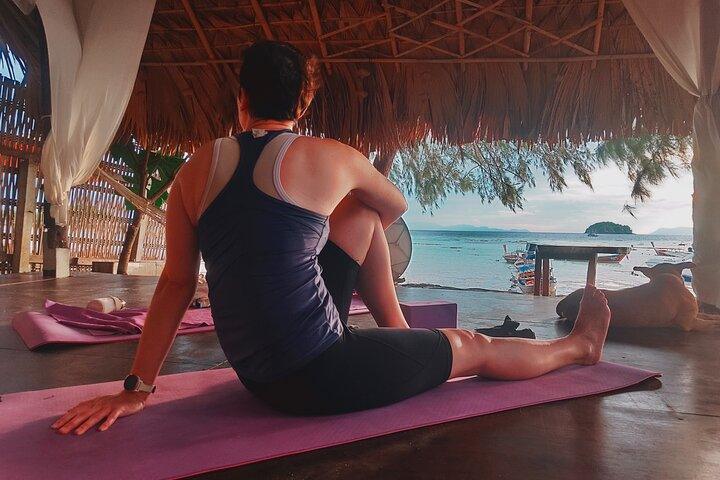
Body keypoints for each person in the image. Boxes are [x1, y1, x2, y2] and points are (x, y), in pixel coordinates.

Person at [51, 41, 611, 435]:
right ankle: (577, 349)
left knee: (358, 222)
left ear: (241, 99)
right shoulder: (332, 157)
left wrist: (135, 388)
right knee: (475, 347)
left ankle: (401, 341)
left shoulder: (194, 169)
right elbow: (394, 205)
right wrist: (321, 204)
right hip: (319, 377)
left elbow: (175, 283)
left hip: (256, 373)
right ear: (302, 105)